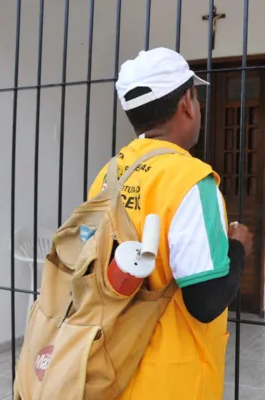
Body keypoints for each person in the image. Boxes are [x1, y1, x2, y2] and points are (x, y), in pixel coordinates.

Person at [88, 47, 253, 400]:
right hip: (171, 379)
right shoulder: (191, 181)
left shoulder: (109, 173)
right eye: (196, 96)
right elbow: (205, 302)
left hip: (113, 369)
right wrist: (238, 246)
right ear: (187, 105)